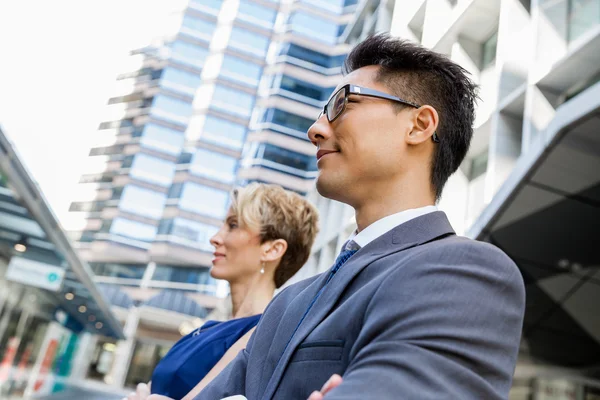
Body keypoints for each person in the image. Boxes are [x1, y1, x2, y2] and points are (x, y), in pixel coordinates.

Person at [179, 34, 526, 399]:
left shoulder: (466, 273)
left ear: (420, 125)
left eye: (343, 103)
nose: (315, 130)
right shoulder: (286, 303)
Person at [125, 183, 319, 400]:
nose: (215, 238)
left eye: (233, 225)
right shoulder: (211, 329)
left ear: (272, 249)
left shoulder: (261, 334)